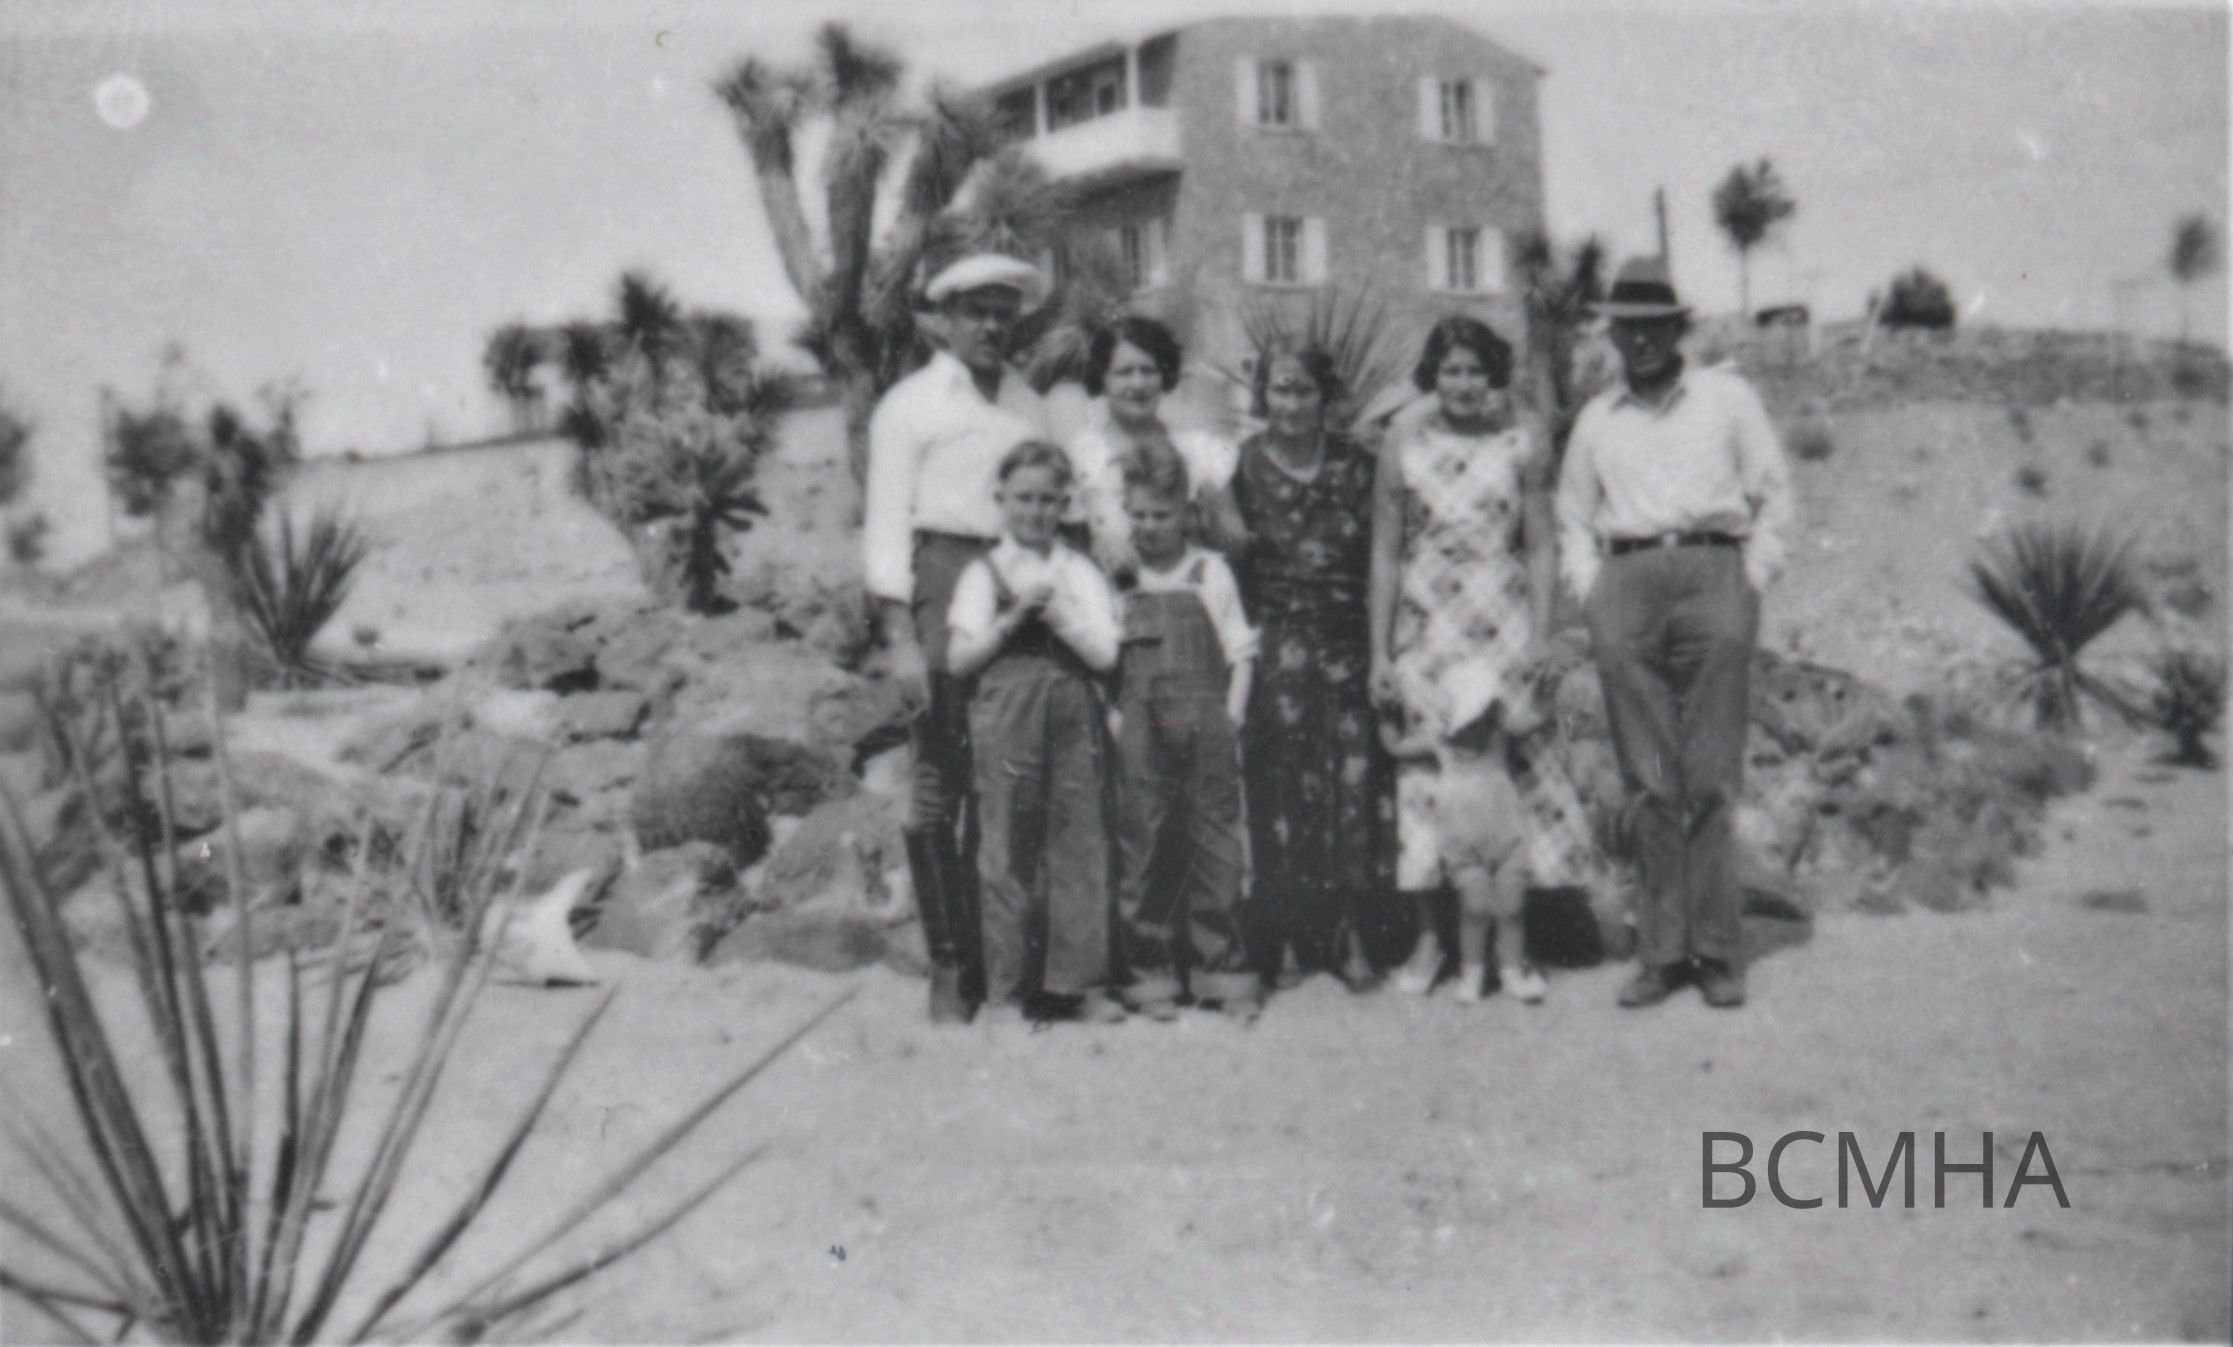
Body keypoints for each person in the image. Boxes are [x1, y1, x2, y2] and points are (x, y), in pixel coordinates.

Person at [1554, 257, 1795, 1010]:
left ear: (1676, 328)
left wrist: (1750, 581)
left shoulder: (1726, 398)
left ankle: (1717, 949)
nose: (1642, 339)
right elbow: (1571, 516)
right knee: (1651, 777)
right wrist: (1593, 594)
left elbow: (1774, 495)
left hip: (1713, 575)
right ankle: (1661, 951)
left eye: (1655, 325)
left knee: (1712, 774)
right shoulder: (1597, 419)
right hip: (1626, 584)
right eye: (1628, 327)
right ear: (1613, 335)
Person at [1367, 316, 1607, 997]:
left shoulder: (1521, 442)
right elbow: (1384, 552)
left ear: (1493, 375)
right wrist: (1378, 652)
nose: (1463, 385)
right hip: (1427, 627)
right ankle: (1429, 939)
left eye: (1475, 371)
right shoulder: (1403, 443)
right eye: (1450, 371)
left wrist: (1541, 636)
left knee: (1514, 771)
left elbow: (1540, 545)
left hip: (1500, 623)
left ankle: (1513, 945)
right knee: (1427, 779)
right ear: (1431, 376)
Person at [863, 252, 1051, 1023]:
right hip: (937, 582)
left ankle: (1001, 957)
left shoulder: (1028, 405)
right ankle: (948, 960)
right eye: (976, 312)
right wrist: (901, 639)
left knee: (1002, 778)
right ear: (945, 320)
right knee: (937, 777)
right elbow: (885, 525)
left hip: (1013, 585)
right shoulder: (908, 406)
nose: (991, 327)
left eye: (1004, 314)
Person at [1229, 337, 1395, 990]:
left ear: (1326, 397)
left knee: (1354, 787)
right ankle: (1287, 934)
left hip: (1347, 644)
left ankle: (1352, 933)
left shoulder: (1359, 467)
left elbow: (1383, 558)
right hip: (1277, 649)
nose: (1291, 403)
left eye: (1304, 390)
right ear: (1262, 395)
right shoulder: (1243, 466)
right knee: (1279, 787)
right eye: (1280, 389)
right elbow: (1232, 563)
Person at [945, 441, 1125, 1024]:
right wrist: (1010, 620)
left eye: (1048, 499)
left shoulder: (1079, 570)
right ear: (1000, 500)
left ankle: (1082, 986)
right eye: (1023, 498)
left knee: (1080, 843)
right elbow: (958, 660)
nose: (1035, 511)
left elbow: (1106, 655)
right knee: (1005, 850)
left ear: (1065, 504)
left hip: (1072, 711)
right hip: (1006, 716)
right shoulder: (983, 573)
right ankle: (1007, 993)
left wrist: (1060, 617)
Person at [1108, 445, 1262, 1022]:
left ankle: (1222, 971)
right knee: (1143, 843)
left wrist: (1232, 717)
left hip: (1206, 723)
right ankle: (1150, 974)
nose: (1149, 526)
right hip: (1139, 727)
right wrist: (1116, 721)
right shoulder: (1120, 579)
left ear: (1186, 513)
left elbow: (1241, 652)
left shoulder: (1209, 572)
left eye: (1161, 514)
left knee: (1215, 844)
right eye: (1139, 514)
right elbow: (1103, 656)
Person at [1376, 660, 1544, 1003]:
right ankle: (1473, 972)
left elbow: (1532, 720)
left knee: (1512, 906)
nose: (1479, 724)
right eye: (1474, 715)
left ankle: (1513, 971)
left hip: (1508, 837)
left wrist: (1545, 691)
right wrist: (1385, 713)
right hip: (1462, 845)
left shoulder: (1498, 735)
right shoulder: (1441, 741)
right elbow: (1396, 747)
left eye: (1486, 712)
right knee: (1475, 907)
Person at [1069, 315, 1247, 576]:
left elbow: (1237, 545)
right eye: (1124, 372)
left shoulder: (1199, 453)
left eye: (1148, 371)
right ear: (1103, 378)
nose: (1138, 384)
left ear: (1164, 375)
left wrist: (1211, 516)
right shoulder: (1080, 456)